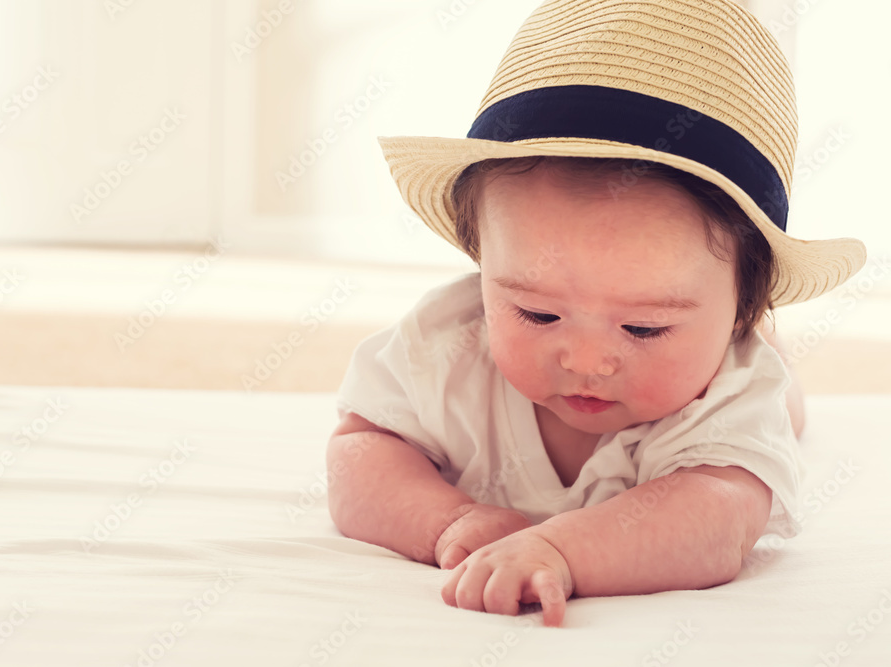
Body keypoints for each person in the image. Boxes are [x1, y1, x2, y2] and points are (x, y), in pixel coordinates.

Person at [326, 0, 866, 627]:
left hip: (740, 375)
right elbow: (360, 450)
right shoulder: (444, 345)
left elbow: (720, 518)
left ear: (740, 310)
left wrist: (564, 548)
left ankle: (774, 350)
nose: (585, 361)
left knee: (781, 406)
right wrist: (449, 519)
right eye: (535, 313)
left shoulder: (724, 390)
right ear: (483, 264)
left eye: (644, 327)